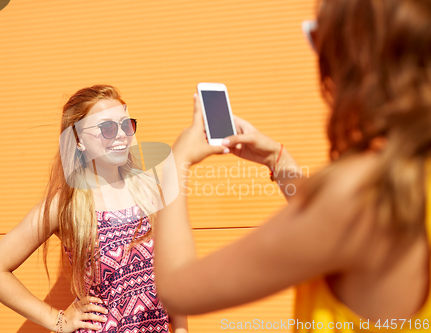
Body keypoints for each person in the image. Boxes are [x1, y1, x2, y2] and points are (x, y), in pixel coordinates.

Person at [153, 0, 431, 332]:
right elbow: (327, 228)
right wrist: (277, 160)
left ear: (352, 55)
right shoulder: (410, 173)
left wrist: (175, 162)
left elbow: (176, 289)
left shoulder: (357, 195)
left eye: (318, 39)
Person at [0, 85, 188, 333]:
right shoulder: (66, 205)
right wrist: (57, 320)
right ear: (77, 140)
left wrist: (182, 328)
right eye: (106, 128)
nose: (121, 135)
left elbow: (173, 269)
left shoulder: (150, 190)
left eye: (125, 125)